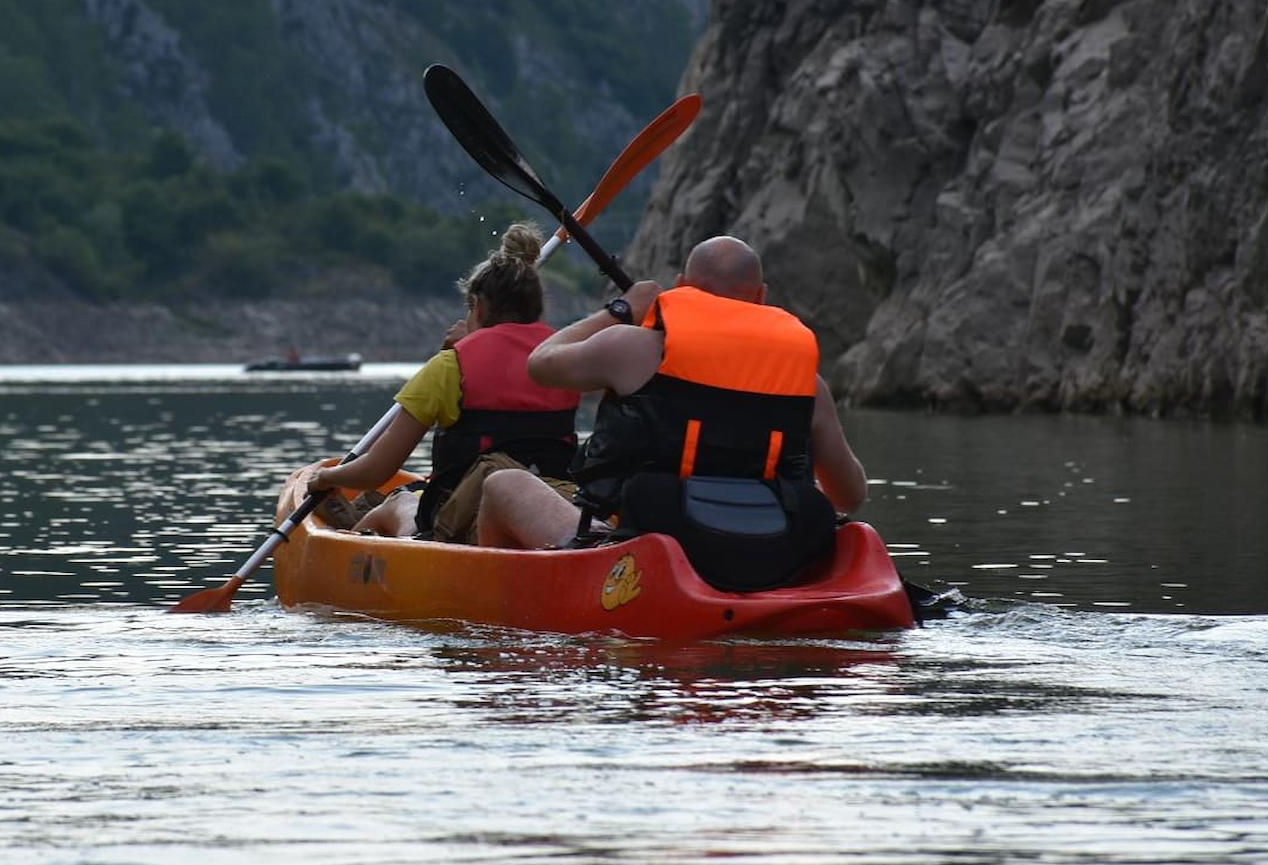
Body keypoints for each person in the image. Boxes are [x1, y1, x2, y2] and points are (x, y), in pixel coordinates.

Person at [474, 235, 867, 592]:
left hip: (653, 551)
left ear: (681, 287)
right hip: (775, 560)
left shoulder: (633, 349)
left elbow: (540, 363)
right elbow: (849, 495)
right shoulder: (807, 385)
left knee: (504, 483)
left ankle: (506, 613)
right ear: (762, 298)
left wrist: (620, 309)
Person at [309, 223, 582, 542]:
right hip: (553, 506)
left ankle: (360, 535)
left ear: (477, 307)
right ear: (536, 308)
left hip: (462, 522)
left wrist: (325, 478)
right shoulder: (567, 359)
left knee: (401, 501)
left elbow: (377, 471)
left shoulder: (450, 366)